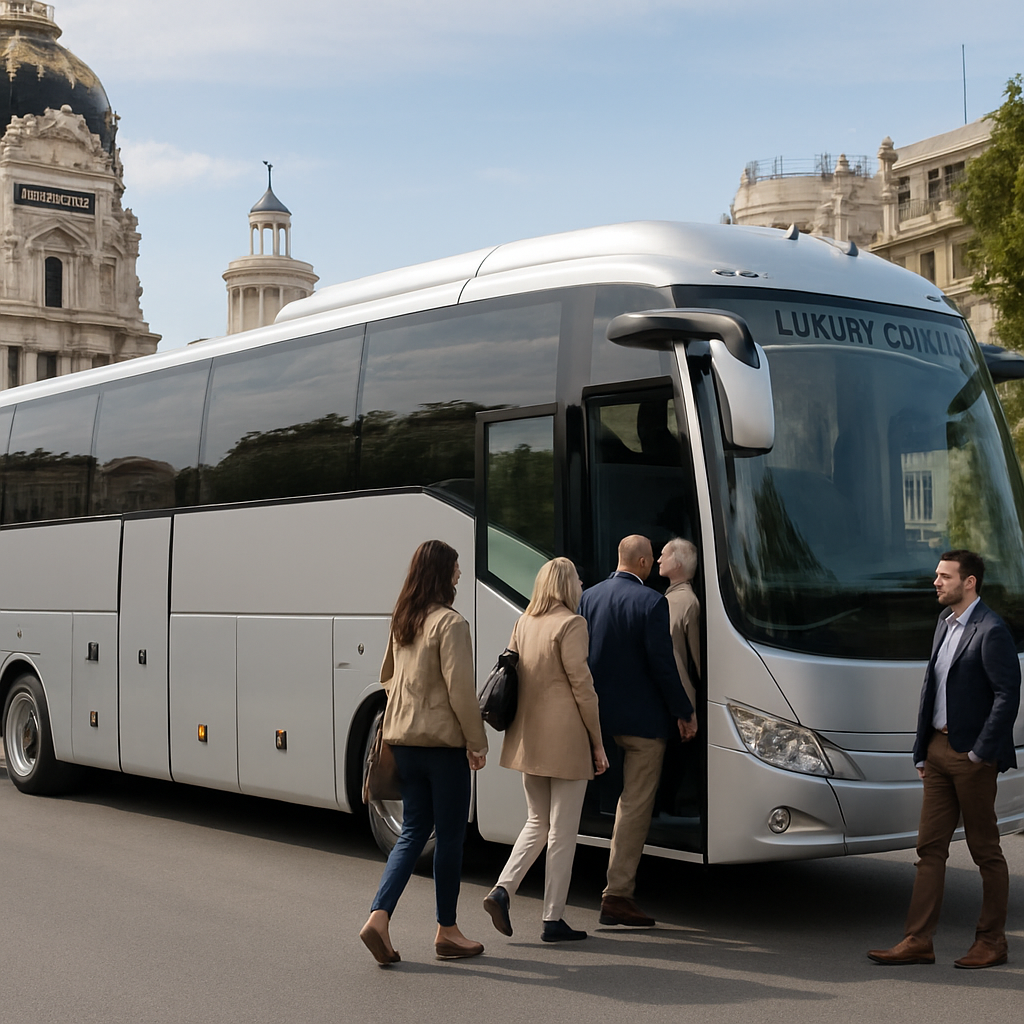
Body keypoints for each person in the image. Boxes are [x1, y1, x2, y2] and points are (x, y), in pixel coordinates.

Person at [868, 550, 1020, 970]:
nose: (936, 582)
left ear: (969, 582)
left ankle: (992, 941)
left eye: (944, 576)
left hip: (971, 757)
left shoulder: (991, 630)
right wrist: (922, 749)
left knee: (985, 850)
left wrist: (980, 751)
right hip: (936, 751)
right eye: (937, 575)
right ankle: (918, 940)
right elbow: (931, 689)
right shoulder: (944, 623)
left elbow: (1007, 695)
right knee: (929, 848)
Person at [360, 540, 488, 966]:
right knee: (450, 837)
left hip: (403, 743)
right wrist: (477, 742)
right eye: (455, 567)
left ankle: (379, 916)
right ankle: (447, 931)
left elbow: (386, 677)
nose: (459, 573)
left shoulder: (404, 619)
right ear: (442, 572)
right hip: (442, 746)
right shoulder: (450, 623)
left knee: (413, 831)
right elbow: (461, 692)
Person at [483, 558, 610, 943]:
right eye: (577, 579)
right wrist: (598, 743)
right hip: (566, 738)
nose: (582, 583)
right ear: (566, 585)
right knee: (562, 831)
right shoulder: (572, 624)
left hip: (528, 737)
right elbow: (583, 688)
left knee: (537, 821)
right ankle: (553, 918)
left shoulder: (524, 622)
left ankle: (503, 889)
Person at [578, 534, 697, 927]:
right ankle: (617, 894)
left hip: (596, 720)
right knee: (634, 805)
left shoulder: (589, 598)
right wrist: (684, 712)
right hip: (643, 725)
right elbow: (663, 666)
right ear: (644, 563)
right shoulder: (652, 602)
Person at [657, 538, 700, 711]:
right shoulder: (680, 599)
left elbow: (698, 659)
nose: (659, 560)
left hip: (679, 700)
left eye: (663, 555)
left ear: (677, 564)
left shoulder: (684, 602)